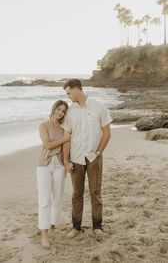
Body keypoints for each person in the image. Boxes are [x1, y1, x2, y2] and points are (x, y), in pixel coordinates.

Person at [62, 79, 112, 238]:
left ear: (77, 90)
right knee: (77, 193)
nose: (68, 97)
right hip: (76, 157)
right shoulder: (70, 112)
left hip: (94, 157)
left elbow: (107, 133)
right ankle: (76, 227)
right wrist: (66, 160)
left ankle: (97, 226)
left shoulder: (99, 106)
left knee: (95, 192)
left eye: (69, 93)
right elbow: (66, 137)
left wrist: (98, 153)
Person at [37, 100, 70, 248]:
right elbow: (48, 144)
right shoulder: (43, 125)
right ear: (54, 109)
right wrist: (64, 139)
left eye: (63, 111)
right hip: (44, 165)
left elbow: (66, 146)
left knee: (56, 199)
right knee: (44, 201)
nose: (60, 113)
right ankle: (44, 235)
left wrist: (67, 162)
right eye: (58, 109)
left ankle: (52, 226)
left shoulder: (65, 128)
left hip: (60, 166)